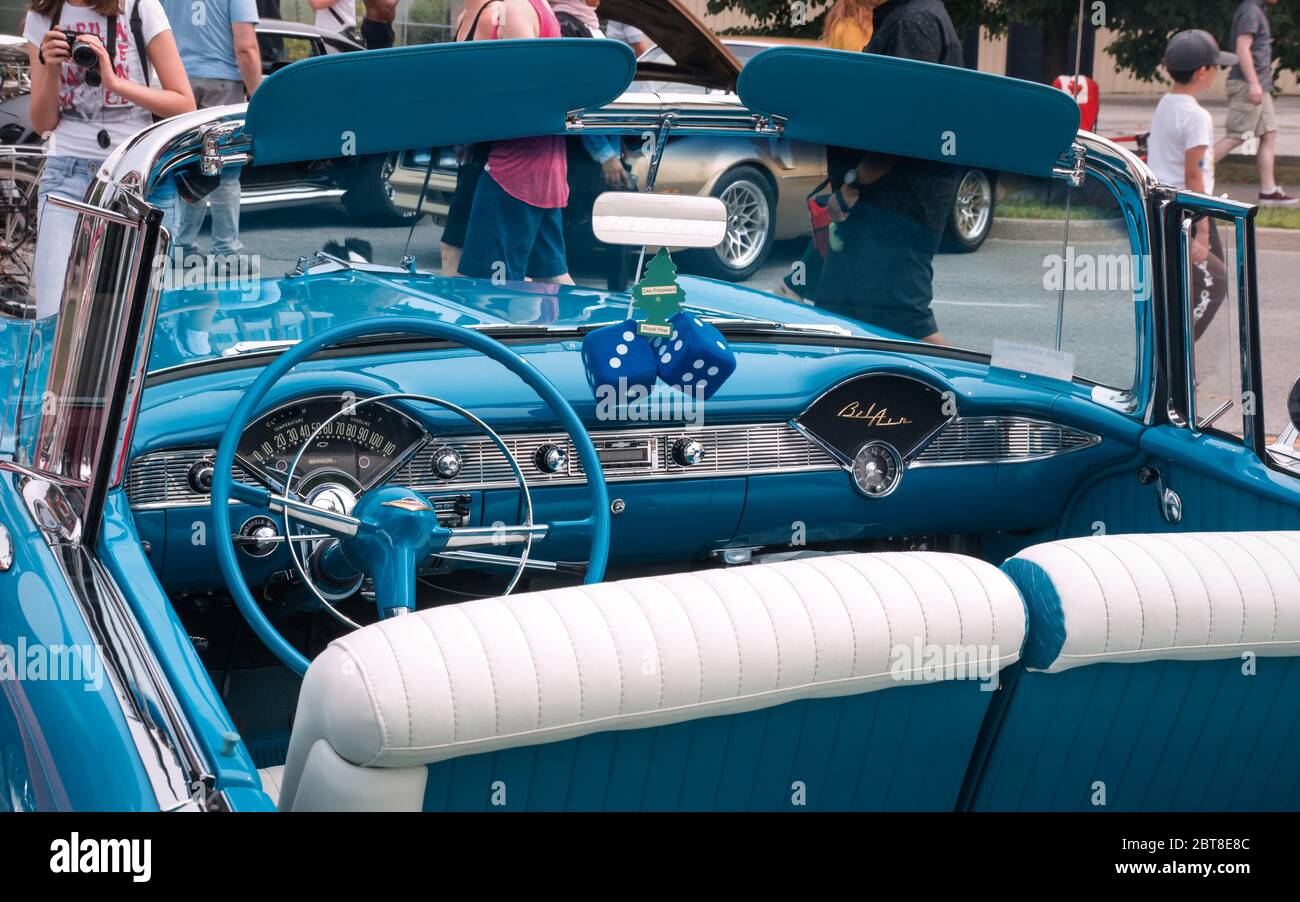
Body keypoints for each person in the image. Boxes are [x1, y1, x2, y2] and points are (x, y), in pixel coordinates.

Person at [24, 0, 194, 319]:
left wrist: (115, 82)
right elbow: (43, 123)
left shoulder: (139, 8)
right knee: (53, 316)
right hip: (66, 175)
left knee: (137, 319)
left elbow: (185, 104)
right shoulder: (43, 16)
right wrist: (50, 67)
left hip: (137, 177)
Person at [812, 0, 963, 344]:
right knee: (836, 319)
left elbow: (903, 120)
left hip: (892, 208)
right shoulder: (908, 17)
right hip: (877, 206)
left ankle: (959, 396)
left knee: (907, 326)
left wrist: (854, 184)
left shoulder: (915, 21)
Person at [457, 0, 573, 285]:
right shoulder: (534, 6)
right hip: (539, 165)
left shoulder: (515, 8)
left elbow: (522, 90)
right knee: (552, 277)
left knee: (489, 288)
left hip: (513, 168)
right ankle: (603, 329)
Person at [775, 0, 882, 302]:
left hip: (846, 131)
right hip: (856, 132)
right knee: (842, 220)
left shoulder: (845, 25)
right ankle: (797, 286)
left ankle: (800, 286)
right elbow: (862, 79)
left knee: (840, 223)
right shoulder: (853, 28)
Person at [1150, 30, 1236, 340]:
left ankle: (1174, 365)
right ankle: (1173, 363)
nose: (1218, 72)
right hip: (1189, 212)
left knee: (1186, 288)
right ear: (1202, 72)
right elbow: (1193, 177)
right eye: (1216, 67)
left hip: (1167, 206)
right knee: (1215, 285)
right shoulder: (1196, 116)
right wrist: (1201, 233)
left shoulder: (1166, 103)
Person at [161, 0, 260, 262]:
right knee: (224, 172)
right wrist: (258, 94)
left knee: (183, 167)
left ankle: (181, 247)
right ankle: (226, 252)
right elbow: (246, 47)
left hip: (176, 83)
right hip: (223, 83)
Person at [437, 0, 500, 276]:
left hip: (488, 149)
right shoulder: (466, 15)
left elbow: (487, 84)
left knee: (464, 248)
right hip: (469, 145)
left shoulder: (492, 15)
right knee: (453, 248)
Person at [1213, 0, 1295, 206]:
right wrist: (1254, 83)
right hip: (1248, 84)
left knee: (1269, 133)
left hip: (1259, 84)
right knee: (1238, 135)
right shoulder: (1250, 11)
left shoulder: (1256, 10)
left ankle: (1268, 191)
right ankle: (1189, 172)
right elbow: (1242, 49)